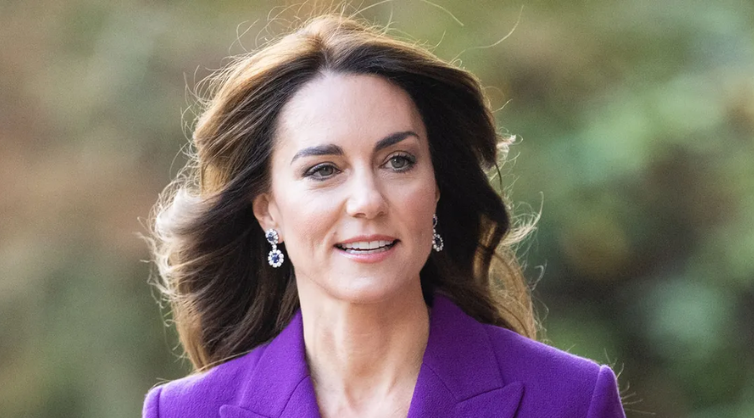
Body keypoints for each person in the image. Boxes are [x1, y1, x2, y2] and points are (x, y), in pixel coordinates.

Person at [143, 13, 626, 418]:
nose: (367, 201)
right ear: (268, 211)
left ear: (436, 188)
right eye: (324, 169)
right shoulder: (184, 412)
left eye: (398, 161)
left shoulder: (571, 399)